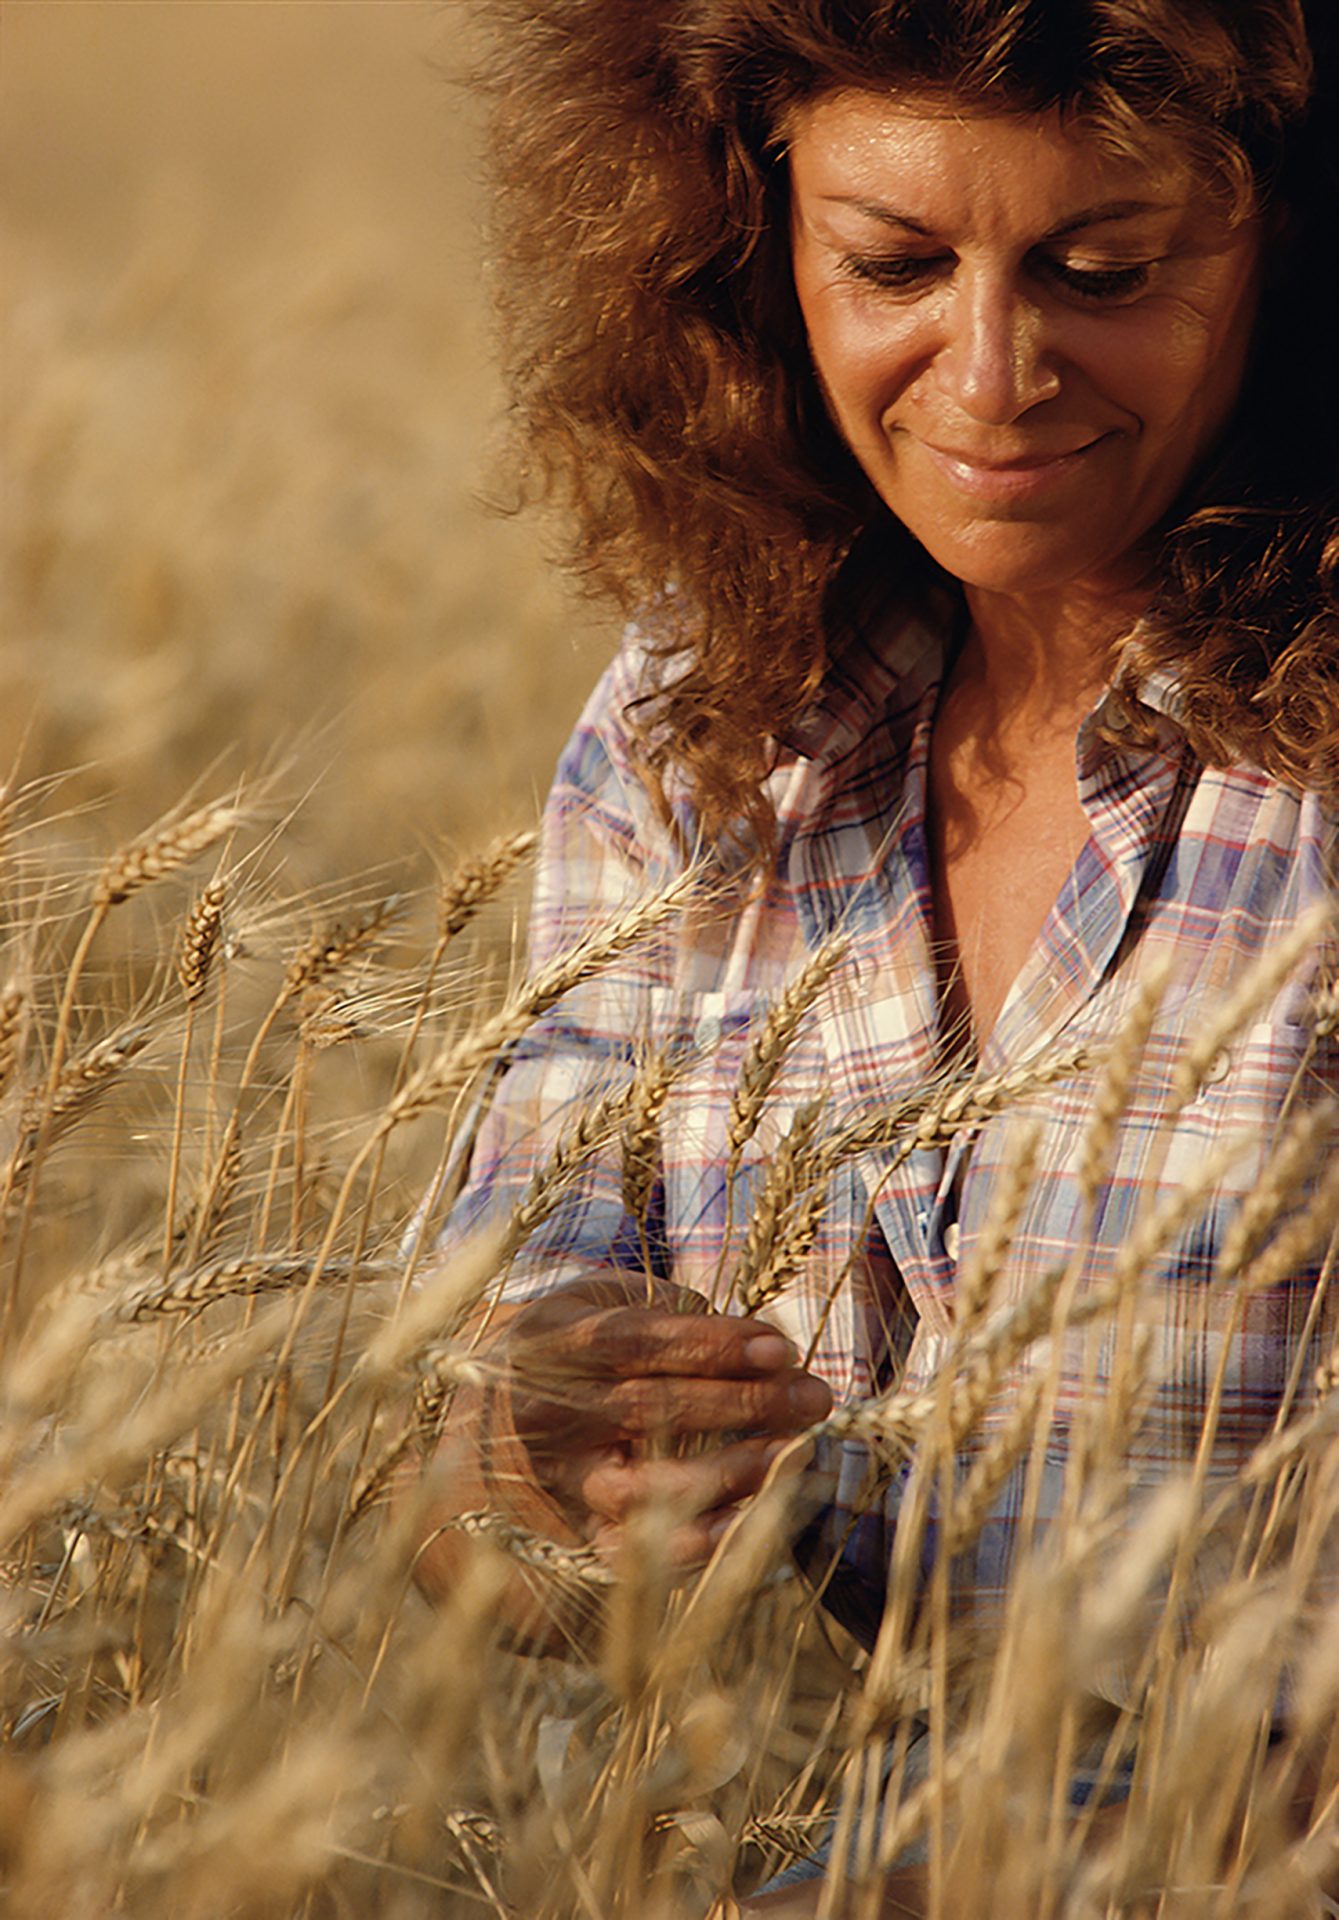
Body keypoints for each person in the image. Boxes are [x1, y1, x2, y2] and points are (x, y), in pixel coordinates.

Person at [410, 1, 1339, 1909]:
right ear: (750, 245)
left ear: (1294, 247)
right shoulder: (707, 719)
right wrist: (534, 1454)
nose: (990, 373)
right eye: (893, 265)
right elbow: (461, 1505)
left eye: (1105, 269)